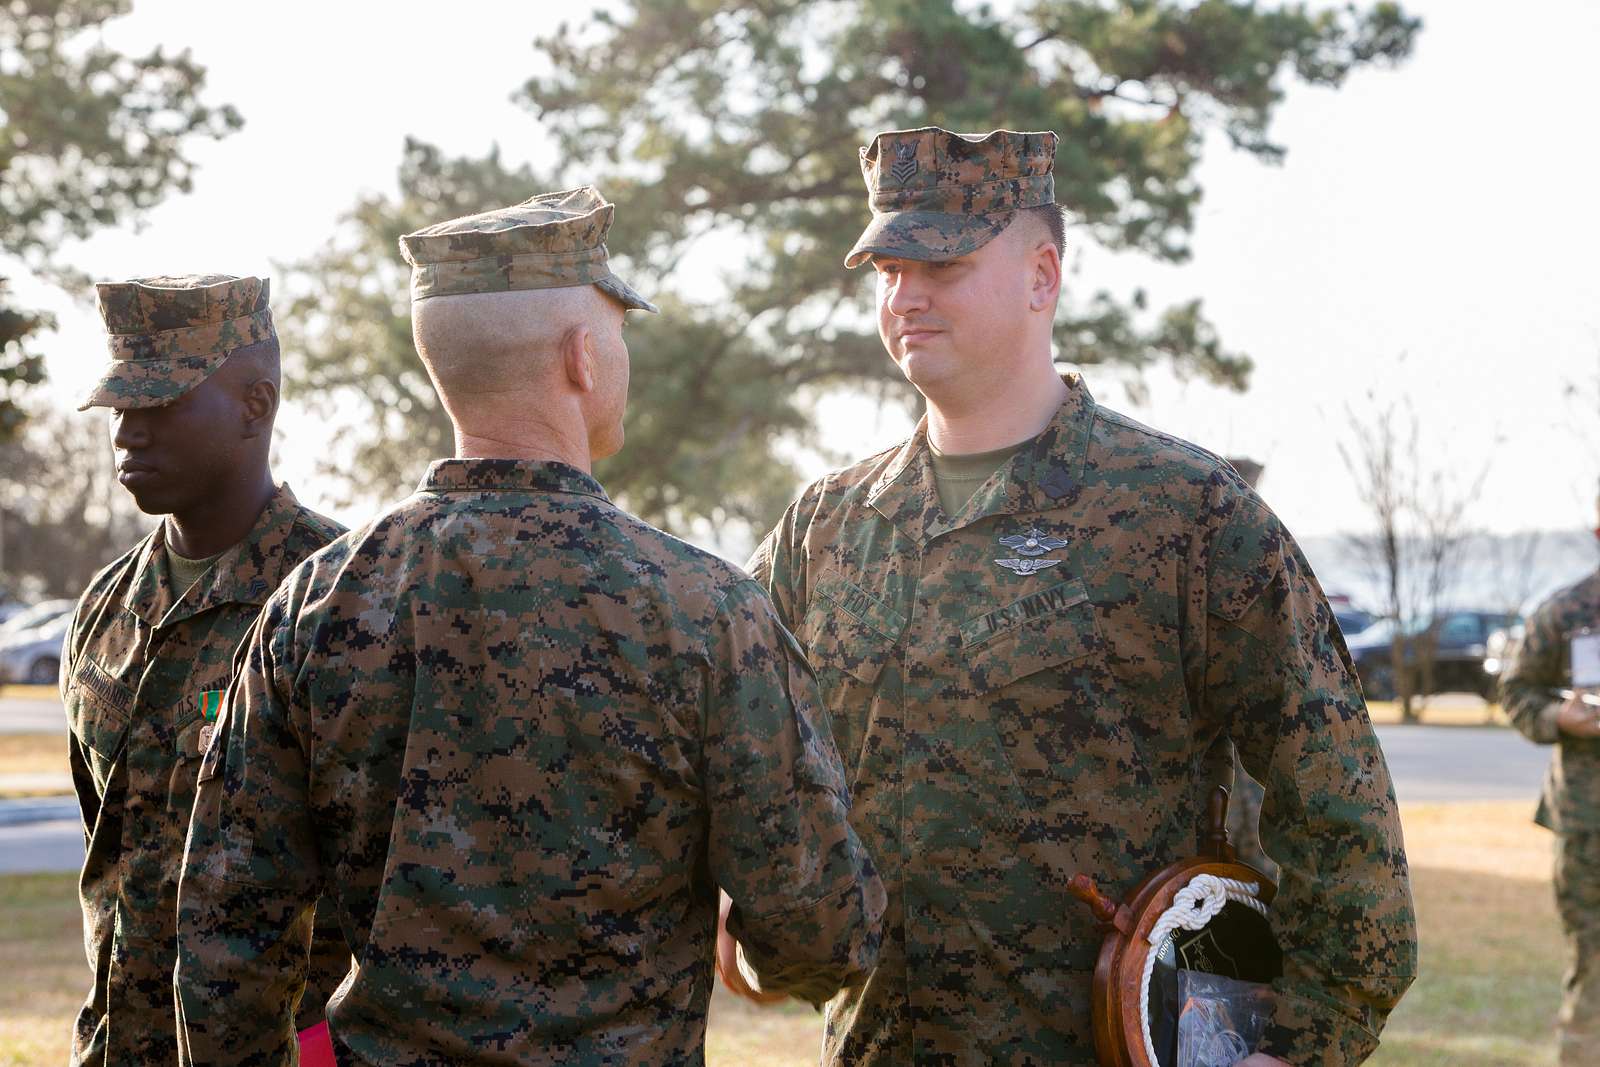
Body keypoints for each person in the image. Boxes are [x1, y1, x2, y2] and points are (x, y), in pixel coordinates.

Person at [724, 126, 1418, 1064]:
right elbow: (745, 745)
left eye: (943, 262)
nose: (906, 294)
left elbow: (1337, 794)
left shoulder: (1186, 512)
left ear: (1042, 276)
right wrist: (747, 899)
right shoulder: (826, 526)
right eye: (887, 267)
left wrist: (1305, 1039)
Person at [174, 187, 886, 1065]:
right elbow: (819, 937)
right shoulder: (703, 611)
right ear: (584, 357)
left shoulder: (317, 604)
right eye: (620, 335)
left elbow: (227, 936)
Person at [61, 274, 350, 1065]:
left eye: (160, 405)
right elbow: (105, 846)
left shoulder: (343, 599)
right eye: (121, 408)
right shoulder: (105, 607)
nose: (129, 433)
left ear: (256, 404)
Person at [1502, 488, 1600, 1065]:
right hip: (1590, 825)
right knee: (1594, 967)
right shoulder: (1566, 613)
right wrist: (1556, 717)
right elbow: (1515, 691)